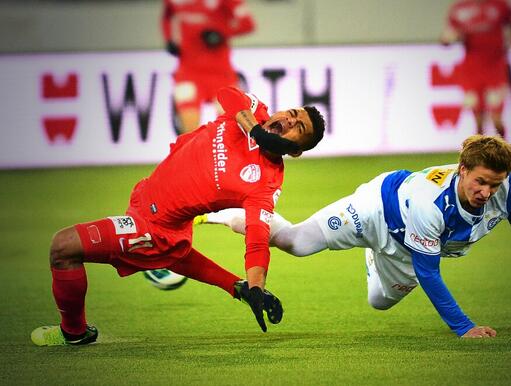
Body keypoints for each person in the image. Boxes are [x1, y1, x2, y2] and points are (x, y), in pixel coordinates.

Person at [200, 135, 511, 338]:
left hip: (407, 245)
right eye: (480, 182)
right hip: (375, 211)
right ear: (462, 170)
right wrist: (464, 328)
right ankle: (217, 211)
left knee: (379, 302)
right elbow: (430, 273)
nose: (486, 192)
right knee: (295, 244)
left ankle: (373, 258)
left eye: (494, 184)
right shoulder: (433, 205)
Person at [30, 86, 326, 346]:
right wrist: (255, 131)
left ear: (296, 151)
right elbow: (227, 94)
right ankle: (237, 289)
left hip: (150, 228)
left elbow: (258, 239)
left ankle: (73, 333)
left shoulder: (266, 181)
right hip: (147, 202)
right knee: (174, 253)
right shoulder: (252, 112)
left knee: (63, 247)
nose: (289, 120)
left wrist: (257, 286)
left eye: (298, 128)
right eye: (292, 112)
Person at [162, 0, 255, 134]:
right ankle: (192, 154)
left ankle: (224, 154)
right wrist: (169, 38)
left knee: (229, 128)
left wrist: (222, 33)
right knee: (189, 130)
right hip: (188, 73)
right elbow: (167, 17)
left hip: (220, 74)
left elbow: (247, 24)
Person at [440, 0, 511, 139]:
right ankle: (480, 157)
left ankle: (504, 152)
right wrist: (449, 39)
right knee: (478, 119)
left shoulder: (500, 5)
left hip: (495, 67)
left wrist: (510, 43)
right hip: (472, 68)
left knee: (496, 118)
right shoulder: (460, 9)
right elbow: (448, 35)